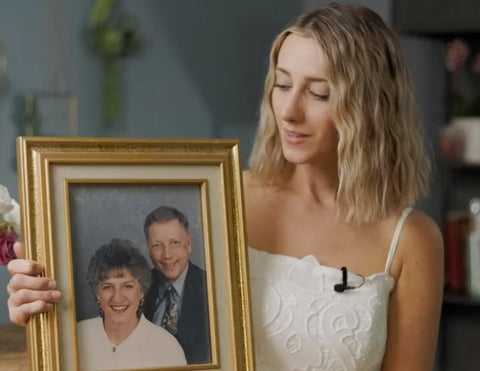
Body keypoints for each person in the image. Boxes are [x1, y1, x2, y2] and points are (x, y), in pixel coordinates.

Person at [6, 4, 443, 370]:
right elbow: (130, 326)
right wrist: (47, 312)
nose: (288, 111)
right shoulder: (218, 199)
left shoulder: (410, 241)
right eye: (283, 84)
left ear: (371, 106)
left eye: (320, 93)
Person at [77, 238, 186, 370]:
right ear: (97, 293)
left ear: (141, 292)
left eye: (127, 286)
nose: (117, 298)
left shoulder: (167, 347)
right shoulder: (76, 336)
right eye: (107, 287)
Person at [142, 206, 210, 364]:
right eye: (157, 245)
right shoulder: (138, 287)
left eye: (174, 243)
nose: (167, 255)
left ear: (188, 244)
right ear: (149, 250)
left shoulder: (211, 288)